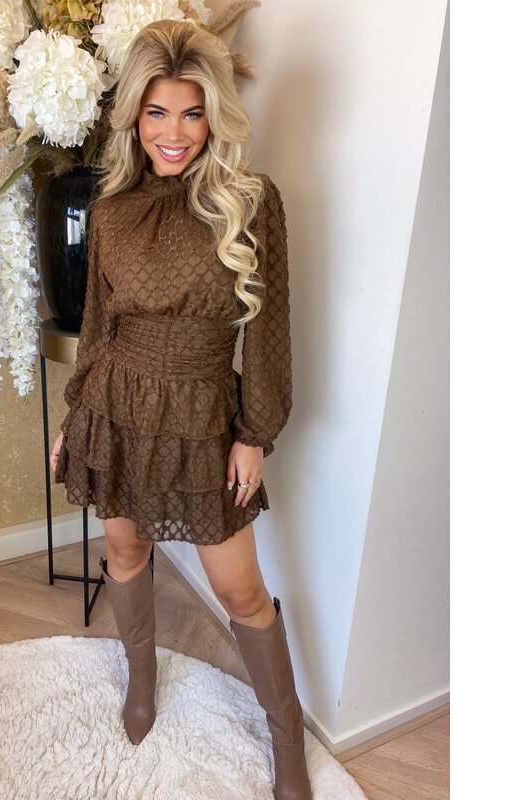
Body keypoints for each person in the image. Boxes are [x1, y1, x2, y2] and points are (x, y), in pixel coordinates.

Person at [50, 18, 312, 800]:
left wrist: (253, 434)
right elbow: (99, 325)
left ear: (214, 114)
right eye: (157, 111)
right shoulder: (111, 210)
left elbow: (269, 330)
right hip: (116, 404)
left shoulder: (251, 202)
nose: (174, 132)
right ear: (133, 114)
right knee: (127, 552)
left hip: (203, 414)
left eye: (192, 113)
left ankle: (286, 738)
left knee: (240, 591)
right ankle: (141, 679)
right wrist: (74, 415)